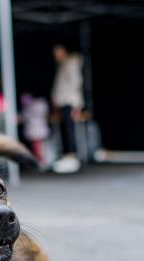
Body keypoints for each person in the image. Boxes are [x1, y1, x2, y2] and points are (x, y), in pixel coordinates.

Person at [51, 44, 84, 174]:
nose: (56, 56)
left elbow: (75, 83)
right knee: (65, 128)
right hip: (63, 102)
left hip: (69, 102)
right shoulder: (63, 64)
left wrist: (76, 105)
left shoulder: (71, 64)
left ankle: (71, 155)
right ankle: (67, 154)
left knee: (69, 129)